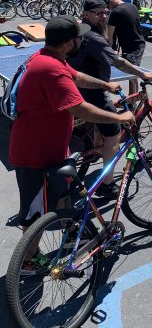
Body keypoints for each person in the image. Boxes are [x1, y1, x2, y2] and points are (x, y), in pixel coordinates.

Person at [10, 16, 135, 229]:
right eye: (79, 37)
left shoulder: (48, 57)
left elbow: (76, 76)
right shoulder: (52, 69)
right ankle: (31, 251)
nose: (81, 41)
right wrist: (120, 117)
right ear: (69, 43)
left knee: (62, 201)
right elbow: (80, 109)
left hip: (52, 151)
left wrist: (105, 85)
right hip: (35, 157)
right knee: (34, 218)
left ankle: (69, 240)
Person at [69, 0, 152, 191]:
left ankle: (94, 141)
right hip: (93, 92)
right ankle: (107, 183)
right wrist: (142, 74)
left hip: (75, 88)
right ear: (86, 14)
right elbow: (118, 62)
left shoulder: (78, 30)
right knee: (114, 133)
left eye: (105, 12)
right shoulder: (94, 38)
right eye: (98, 13)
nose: (103, 16)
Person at [102, 0, 147, 95]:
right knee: (132, 73)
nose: (108, 9)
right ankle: (133, 98)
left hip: (132, 46)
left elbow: (110, 36)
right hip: (139, 43)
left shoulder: (116, 12)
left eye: (108, 6)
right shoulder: (132, 6)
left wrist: (110, 51)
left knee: (132, 75)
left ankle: (133, 100)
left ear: (111, 1)